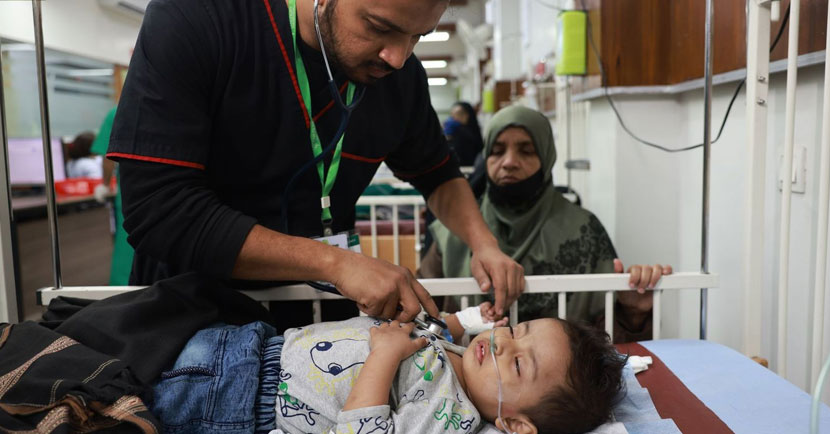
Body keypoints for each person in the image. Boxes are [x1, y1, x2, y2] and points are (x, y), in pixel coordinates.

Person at [107, 0, 523, 325]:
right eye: (380, 27)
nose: (397, 57)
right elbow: (159, 209)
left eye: (418, 36)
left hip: (321, 314)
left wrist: (484, 244)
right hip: (194, 315)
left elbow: (437, 174)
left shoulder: (400, 77)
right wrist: (335, 263)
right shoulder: (198, 23)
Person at [151, 305, 626, 434]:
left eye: (518, 361)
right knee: (118, 359)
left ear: (517, 423)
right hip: (254, 344)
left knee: (116, 404)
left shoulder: (449, 417)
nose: (500, 342)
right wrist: (462, 322)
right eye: (516, 330)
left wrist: (382, 356)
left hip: (239, 400)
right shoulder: (460, 359)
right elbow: (430, 332)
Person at [421, 105, 672, 341]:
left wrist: (633, 314)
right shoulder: (454, 233)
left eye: (526, 151)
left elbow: (608, 345)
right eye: (497, 152)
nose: (508, 162)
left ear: (546, 157)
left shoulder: (583, 231)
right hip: (460, 380)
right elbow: (420, 316)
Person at [91, 107, 135, 286]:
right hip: (170, 183)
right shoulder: (168, 106)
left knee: (128, 241)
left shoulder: (118, 112)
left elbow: (109, 155)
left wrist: (104, 184)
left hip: (131, 187)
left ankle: (123, 287)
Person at [445, 101, 484, 167]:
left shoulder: (464, 132)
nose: (453, 117)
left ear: (466, 115)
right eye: (452, 114)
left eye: (457, 114)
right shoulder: (455, 130)